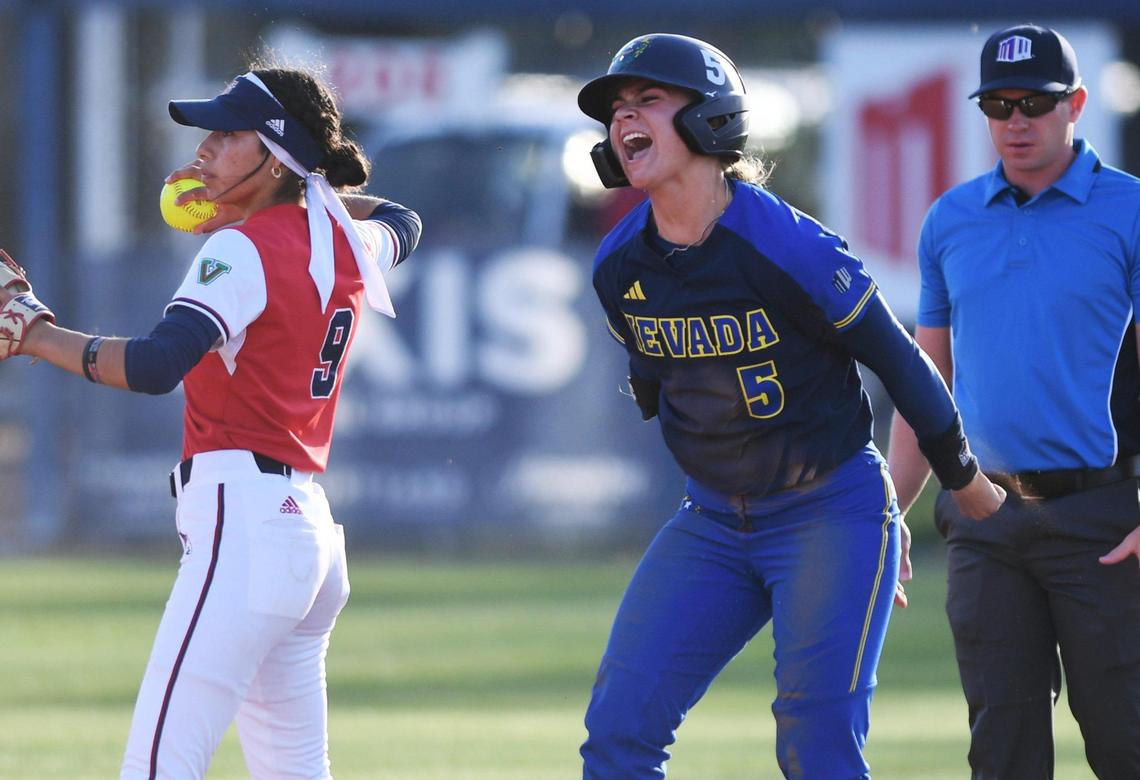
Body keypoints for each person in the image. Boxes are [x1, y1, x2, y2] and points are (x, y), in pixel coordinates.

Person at [575, 33, 1005, 779]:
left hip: (827, 513)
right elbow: (654, 382)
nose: (623, 118)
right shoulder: (619, 265)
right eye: (616, 108)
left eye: (648, 99)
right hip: (712, 517)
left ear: (711, 118)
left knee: (816, 748)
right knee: (618, 730)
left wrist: (966, 484)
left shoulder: (788, 246)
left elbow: (902, 361)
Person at [0, 62, 421, 778]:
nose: (203, 150)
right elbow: (403, 220)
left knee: (159, 765)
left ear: (277, 154)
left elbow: (155, 365)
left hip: (244, 523)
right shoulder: (347, 241)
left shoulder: (241, 249)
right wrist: (305, 193)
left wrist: (35, 333)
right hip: (307, 535)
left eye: (228, 136)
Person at [886, 23, 1140, 780]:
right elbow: (925, 384)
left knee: (1125, 741)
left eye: (1035, 102)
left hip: (1102, 519)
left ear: (1077, 105)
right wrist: (888, 515)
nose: (1016, 120)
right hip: (982, 519)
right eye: (999, 104)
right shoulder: (950, 220)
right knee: (1002, 755)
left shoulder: (1129, 209)